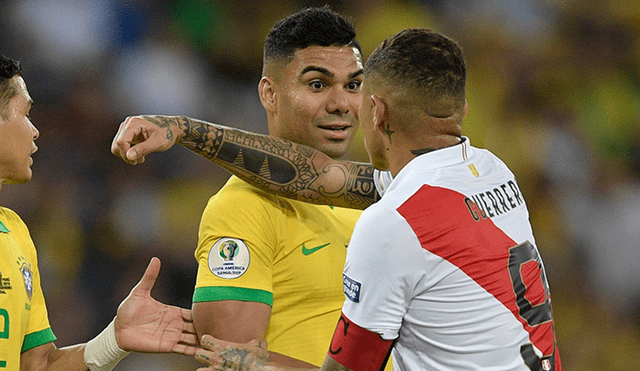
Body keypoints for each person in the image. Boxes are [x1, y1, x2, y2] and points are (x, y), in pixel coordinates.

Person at [118, 28, 563, 370]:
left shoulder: (393, 224)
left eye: (356, 91)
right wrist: (184, 129)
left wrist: (258, 362)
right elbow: (313, 178)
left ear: (377, 111)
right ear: (461, 111)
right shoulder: (490, 170)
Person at [115, 6, 394, 369]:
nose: (341, 104)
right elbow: (228, 360)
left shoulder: (385, 196)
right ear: (269, 94)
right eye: (317, 84)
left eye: (353, 85)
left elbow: (318, 177)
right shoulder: (243, 209)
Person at [0, 54, 199, 371]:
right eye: (25, 113)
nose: (35, 130)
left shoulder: (15, 232)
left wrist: (114, 340)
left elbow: (38, 365)